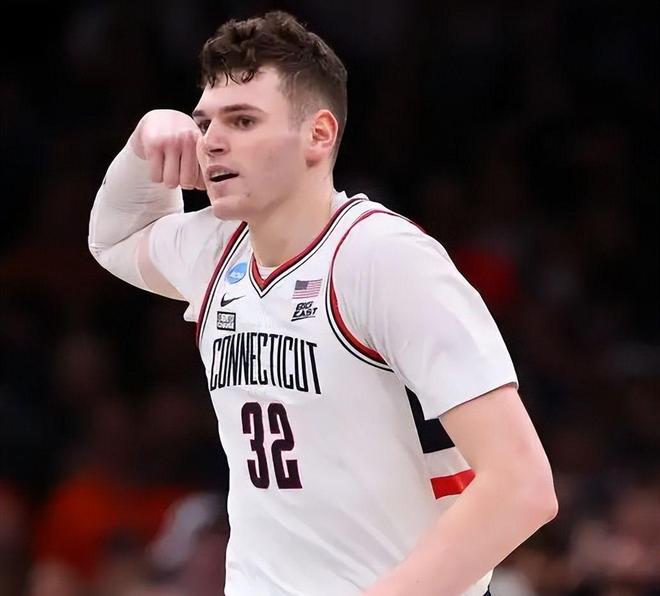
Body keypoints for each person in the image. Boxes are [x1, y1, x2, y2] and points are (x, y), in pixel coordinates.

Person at [88, 10, 558, 596]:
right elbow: (115, 239)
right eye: (205, 122)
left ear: (319, 135)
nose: (212, 141)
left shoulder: (382, 259)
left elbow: (522, 487)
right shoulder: (218, 248)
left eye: (243, 120)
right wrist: (144, 140)